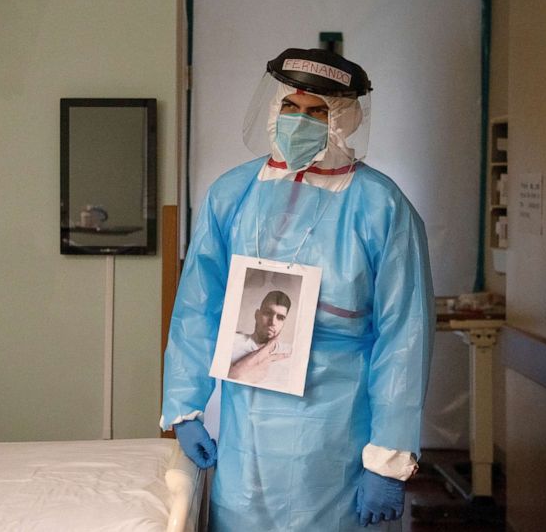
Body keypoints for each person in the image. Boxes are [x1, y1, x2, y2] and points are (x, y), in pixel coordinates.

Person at [160, 47, 434, 530]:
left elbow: (404, 337)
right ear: (274, 108)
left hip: (338, 423)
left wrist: (388, 457)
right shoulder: (233, 193)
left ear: (344, 119)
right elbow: (198, 306)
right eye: (292, 106)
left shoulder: (381, 206)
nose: (300, 120)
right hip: (248, 428)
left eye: (318, 111)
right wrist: (185, 407)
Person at [228, 290, 292, 383]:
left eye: (280, 318)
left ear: (284, 323)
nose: (273, 322)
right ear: (257, 315)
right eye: (268, 313)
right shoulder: (232, 341)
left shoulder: (290, 354)